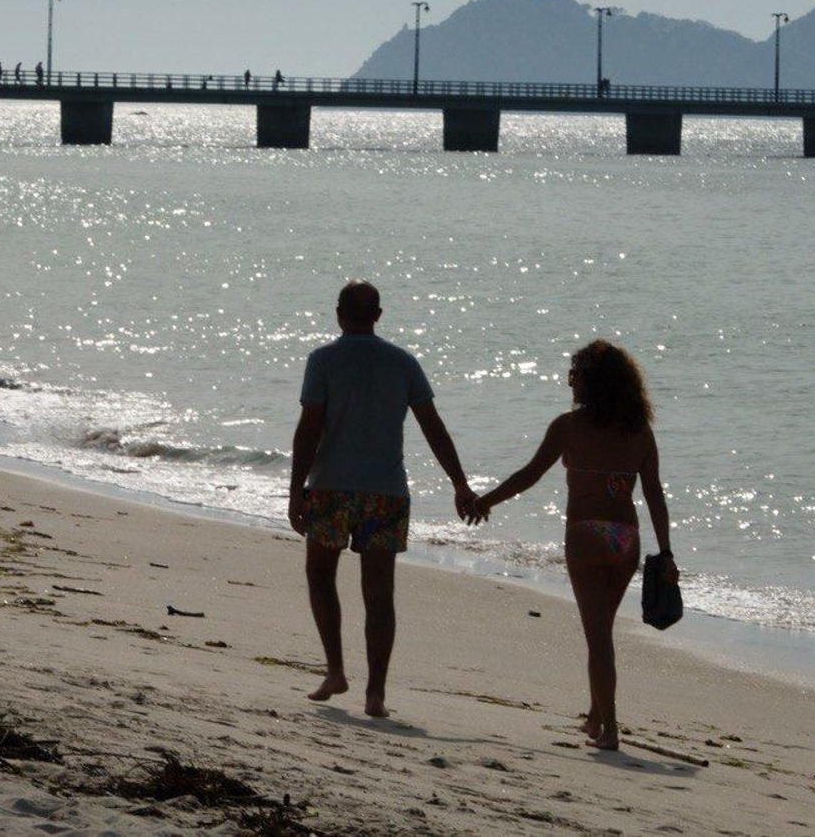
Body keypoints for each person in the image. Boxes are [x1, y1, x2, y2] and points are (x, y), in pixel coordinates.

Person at [472, 340, 676, 751]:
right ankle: (596, 717)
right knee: (601, 629)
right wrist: (667, 552)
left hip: (585, 534)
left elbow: (529, 475)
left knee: (598, 636)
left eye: (575, 374)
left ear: (592, 383)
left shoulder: (568, 427)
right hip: (624, 537)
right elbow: (654, 494)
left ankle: (611, 729)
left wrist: (485, 501)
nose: (570, 381)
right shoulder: (639, 431)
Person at [289, 281, 475, 718]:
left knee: (320, 574)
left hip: (332, 487)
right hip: (385, 494)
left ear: (339, 314)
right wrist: (459, 483)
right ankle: (376, 693)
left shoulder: (323, 361)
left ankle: (335, 670)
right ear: (378, 315)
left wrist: (296, 489)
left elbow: (308, 430)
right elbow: (434, 428)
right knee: (379, 594)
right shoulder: (402, 363)